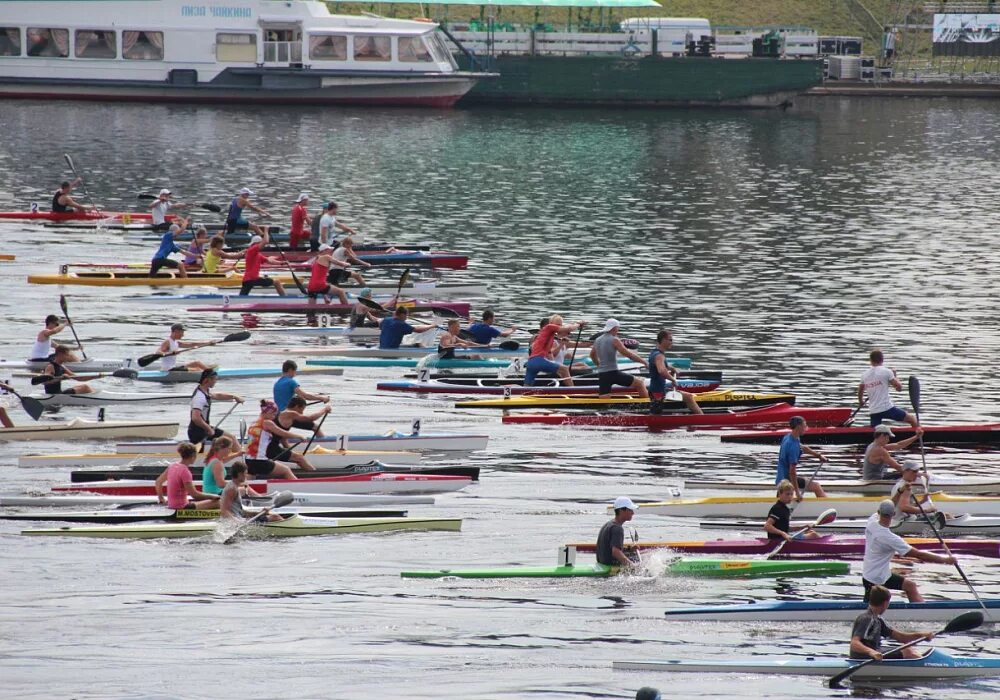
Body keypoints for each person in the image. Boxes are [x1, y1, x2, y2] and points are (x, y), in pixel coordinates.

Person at [862, 499, 956, 602]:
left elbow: (892, 501)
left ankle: (921, 610)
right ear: (893, 514)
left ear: (879, 512)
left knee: (910, 586)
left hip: (872, 575)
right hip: (877, 579)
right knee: (873, 608)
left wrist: (900, 490)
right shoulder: (890, 538)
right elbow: (920, 555)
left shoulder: (871, 522)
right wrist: (945, 560)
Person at [850, 585, 935, 660]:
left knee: (906, 648)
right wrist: (871, 652)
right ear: (885, 603)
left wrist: (922, 635)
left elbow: (901, 637)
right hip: (863, 656)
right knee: (907, 652)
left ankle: (924, 662)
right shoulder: (866, 618)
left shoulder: (878, 620)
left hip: (874, 653)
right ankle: (930, 668)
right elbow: (854, 643)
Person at [245, 400, 312, 477]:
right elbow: (282, 433)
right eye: (273, 414)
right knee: (286, 470)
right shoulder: (267, 423)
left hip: (248, 460)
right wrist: (298, 436)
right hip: (259, 460)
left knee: (251, 478)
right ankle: (299, 487)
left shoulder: (253, 423)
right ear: (267, 412)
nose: (274, 417)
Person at [858, 349, 918, 428]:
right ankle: (917, 437)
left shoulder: (864, 375)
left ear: (870, 360)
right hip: (887, 408)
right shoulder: (887, 372)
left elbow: (860, 391)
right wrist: (895, 375)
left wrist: (861, 401)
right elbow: (899, 388)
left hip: (873, 411)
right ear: (882, 360)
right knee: (912, 419)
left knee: (877, 432)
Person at [590, 319, 649, 398]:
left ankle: (602, 408)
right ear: (614, 328)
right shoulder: (615, 340)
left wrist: (598, 365)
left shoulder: (597, 340)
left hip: (602, 374)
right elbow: (629, 355)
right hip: (613, 373)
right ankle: (647, 406)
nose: (618, 330)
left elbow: (592, 355)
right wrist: (644, 362)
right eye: (618, 328)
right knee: (640, 383)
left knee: (604, 398)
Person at [648, 329, 702, 414]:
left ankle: (700, 417)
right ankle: (701, 419)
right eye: (670, 339)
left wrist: (672, 368)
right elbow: (661, 371)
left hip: (657, 389)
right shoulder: (659, 356)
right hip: (658, 391)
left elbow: (662, 366)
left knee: (688, 397)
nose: (672, 342)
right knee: (655, 416)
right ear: (663, 340)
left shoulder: (654, 352)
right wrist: (673, 380)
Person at [154, 441, 219, 510]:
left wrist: (161, 498)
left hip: (171, 505)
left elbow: (158, 482)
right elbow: (195, 495)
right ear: (193, 456)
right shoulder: (185, 471)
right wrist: (213, 496)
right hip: (182, 507)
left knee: (206, 501)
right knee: (218, 502)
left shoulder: (172, 466)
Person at [776, 416, 828, 499]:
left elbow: (803, 448)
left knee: (782, 500)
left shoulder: (789, 437)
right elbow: (792, 472)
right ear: (799, 427)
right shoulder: (793, 446)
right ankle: (828, 507)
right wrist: (797, 493)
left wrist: (818, 456)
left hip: (781, 477)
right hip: (787, 480)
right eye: (805, 426)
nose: (806, 428)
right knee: (816, 486)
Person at [187, 368, 243, 446]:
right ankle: (239, 456)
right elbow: (195, 418)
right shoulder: (199, 397)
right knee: (231, 439)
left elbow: (217, 395)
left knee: (231, 438)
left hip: (202, 429)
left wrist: (234, 397)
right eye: (214, 379)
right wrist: (208, 428)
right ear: (207, 380)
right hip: (197, 432)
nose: (215, 382)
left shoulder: (204, 391)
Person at [525, 315, 584, 386]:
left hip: (531, 363)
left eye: (560, 325)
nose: (559, 327)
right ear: (551, 322)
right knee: (564, 369)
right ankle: (574, 392)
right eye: (557, 324)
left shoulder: (548, 336)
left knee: (526, 387)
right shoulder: (549, 327)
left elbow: (550, 355)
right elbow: (569, 328)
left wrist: (556, 367)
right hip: (538, 360)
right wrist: (578, 324)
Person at [238, 232, 286, 297]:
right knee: (276, 282)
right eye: (260, 244)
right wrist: (266, 230)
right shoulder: (252, 250)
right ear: (257, 243)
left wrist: (282, 263)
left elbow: (269, 260)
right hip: (252, 279)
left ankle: (236, 301)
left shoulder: (257, 255)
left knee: (242, 297)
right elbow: (265, 241)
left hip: (247, 280)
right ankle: (285, 298)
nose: (262, 246)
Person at [596, 496, 638, 568]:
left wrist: (629, 549)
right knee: (645, 558)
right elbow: (615, 552)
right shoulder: (617, 528)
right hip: (609, 564)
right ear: (622, 510)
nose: (633, 513)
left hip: (602, 562)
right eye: (630, 510)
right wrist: (633, 567)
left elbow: (610, 549)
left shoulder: (608, 524)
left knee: (636, 554)